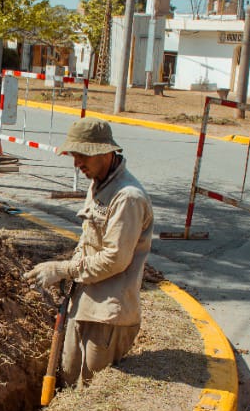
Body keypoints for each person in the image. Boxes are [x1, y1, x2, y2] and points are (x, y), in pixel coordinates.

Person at [23, 117, 154, 387]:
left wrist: (62, 269)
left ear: (106, 153)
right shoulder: (99, 182)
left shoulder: (127, 197)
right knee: (69, 376)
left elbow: (114, 260)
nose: (77, 163)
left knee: (90, 386)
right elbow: (88, 239)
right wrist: (70, 272)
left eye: (82, 155)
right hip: (83, 301)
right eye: (74, 155)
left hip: (109, 314)